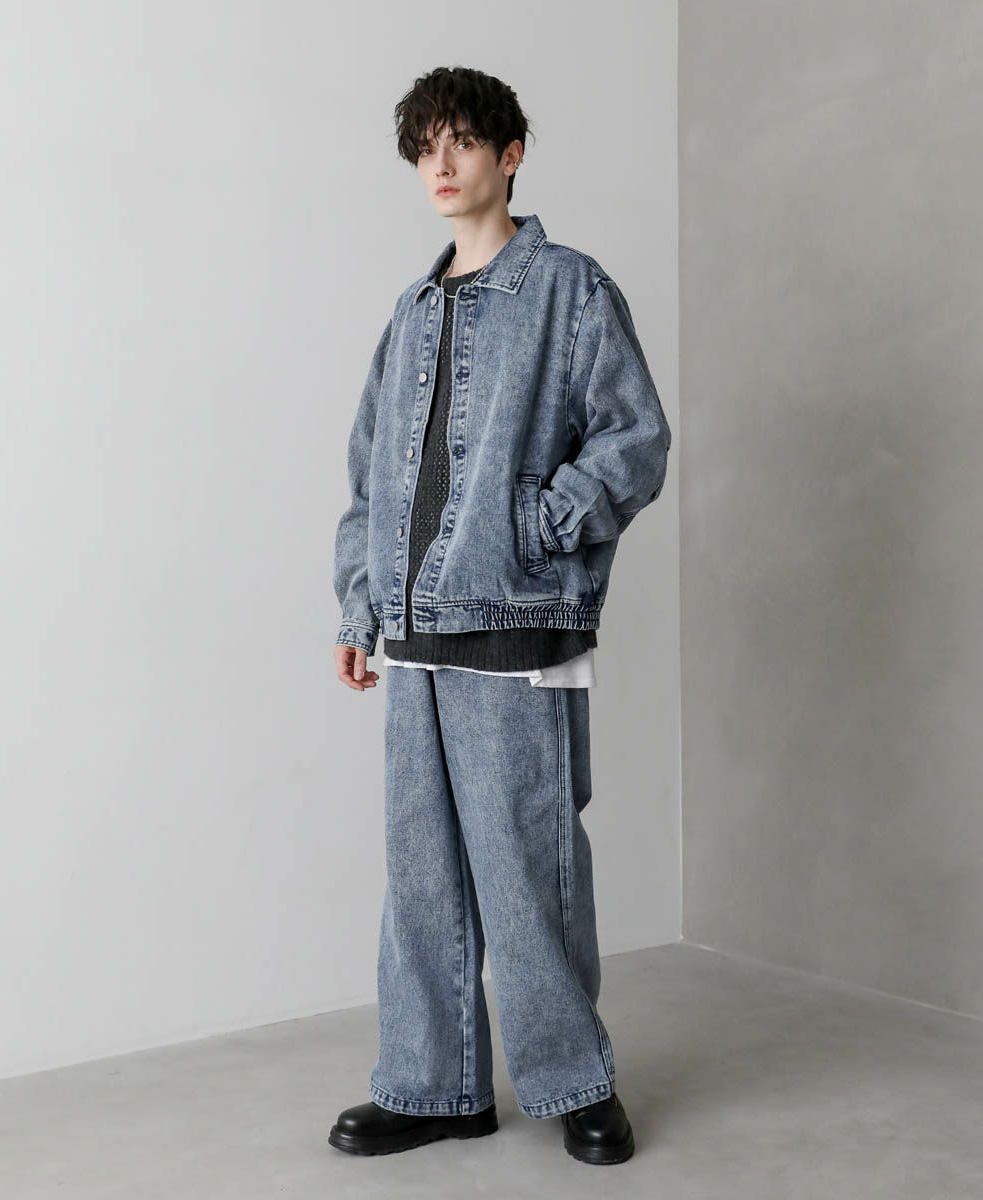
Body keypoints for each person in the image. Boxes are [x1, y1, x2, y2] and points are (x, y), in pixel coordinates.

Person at [328, 65, 671, 1166]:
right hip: (412, 636)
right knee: (420, 878)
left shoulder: (569, 288)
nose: (440, 164)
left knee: (530, 872)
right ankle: (434, 1088)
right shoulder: (411, 312)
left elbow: (634, 438)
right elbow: (371, 475)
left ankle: (576, 1083)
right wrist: (359, 607)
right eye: (425, 146)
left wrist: (540, 524)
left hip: (516, 626)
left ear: (509, 154)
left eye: (463, 142)